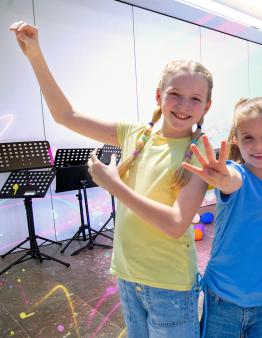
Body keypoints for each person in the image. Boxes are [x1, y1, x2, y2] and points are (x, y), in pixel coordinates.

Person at [11, 21, 215, 337]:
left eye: (195, 99)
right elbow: (66, 115)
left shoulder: (200, 150)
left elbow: (176, 223)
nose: (184, 106)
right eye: (175, 94)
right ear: (159, 95)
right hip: (128, 277)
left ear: (206, 107)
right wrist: (36, 56)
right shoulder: (134, 133)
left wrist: (114, 185)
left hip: (170, 288)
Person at [183, 97, 262, 337]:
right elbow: (230, 180)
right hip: (222, 302)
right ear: (238, 142)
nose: (258, 146)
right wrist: (222, 179)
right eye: (249, 138)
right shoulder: (237, 174)